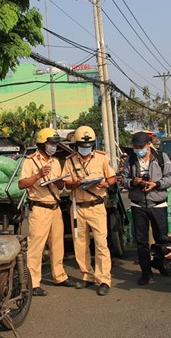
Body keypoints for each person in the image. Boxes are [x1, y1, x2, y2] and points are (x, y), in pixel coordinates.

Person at [19, 128, 76, 297]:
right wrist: (38, 175)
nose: (53, 146)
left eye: (55, 143)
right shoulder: (30, 161)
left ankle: (59, 276)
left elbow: (61, 186)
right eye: (51, 143)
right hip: (40, 208)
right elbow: (22, 184)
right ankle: (33, 282)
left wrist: (59, 182)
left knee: (58, 245)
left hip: (55, 208)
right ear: (42, 144)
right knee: (36, 247)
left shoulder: (55, 162)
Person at [63, 126, 117, 296]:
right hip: (77, 208)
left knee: (101, 244)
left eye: (88, 145)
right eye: (82, 145)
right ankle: (87, 276)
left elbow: (112, 177)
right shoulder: (70, 161)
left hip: (97, 206)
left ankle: (104, 280)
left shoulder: (101, 157)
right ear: (76, 145)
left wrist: (105, 184)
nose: (85, 148)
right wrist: (75, 183)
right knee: (80, 244)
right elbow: (65, 184)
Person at [120, 132, 171, 285]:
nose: (139, 150)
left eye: (141, 147)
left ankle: (162, 264)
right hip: (138, 205)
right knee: (141, 241)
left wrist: (156, 184)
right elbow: (123, 179)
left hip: (158, 204)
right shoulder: (130, 159)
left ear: (149, 144)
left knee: (162, 238)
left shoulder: (161, 158)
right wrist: (133, 182)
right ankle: (146, 272)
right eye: (136, 147)